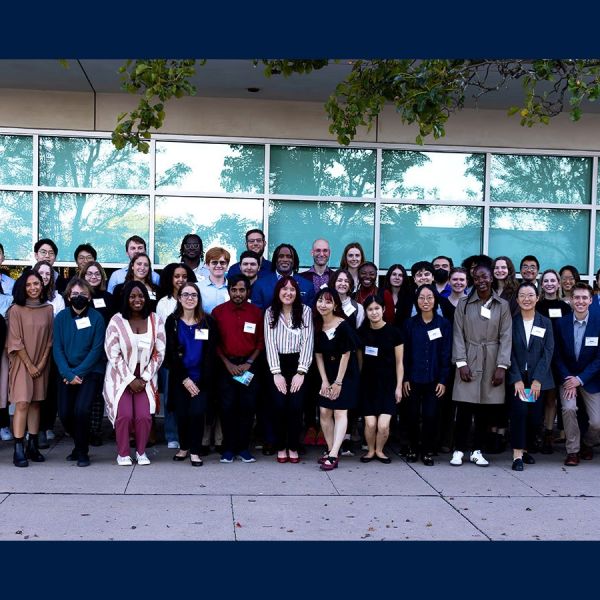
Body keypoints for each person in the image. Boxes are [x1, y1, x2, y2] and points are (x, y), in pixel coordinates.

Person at [450, 262, 512, 467]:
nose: (481, 281)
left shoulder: (502, 305)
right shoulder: (465, 304)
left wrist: (502, 366)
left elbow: (506, 336)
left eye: (484, 277)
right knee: (464, 407)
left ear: (491, 278)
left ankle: (477, 450)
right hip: (470, 355)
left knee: (485, 409)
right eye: (477, 278)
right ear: (472, 280)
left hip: (493, 358)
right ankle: (459, 449)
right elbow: (458, 334)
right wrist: (461, 362)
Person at [103, 281, 166, 466]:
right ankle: (123, 453)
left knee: (144, 416)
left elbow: (160, 352)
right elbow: (112, 353)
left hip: (146, 376)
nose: (137, 300)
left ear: (146, 298)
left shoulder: (156, 320)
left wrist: (144, 377)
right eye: (132, 296)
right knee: (124, 415)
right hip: (121, 375)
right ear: (126, 299)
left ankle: (141, 452)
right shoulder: (116, 320)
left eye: (140, 296)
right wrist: (130, 379)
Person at [53, 278, 106, 467]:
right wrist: (68, 374)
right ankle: (79, 443)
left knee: (82, 410)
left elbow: (96, 349)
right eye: (75, 294)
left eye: (83, 295)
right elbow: (57, 348)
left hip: (91, 372)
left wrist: (79, 373)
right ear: (68, 296)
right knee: (65, 413)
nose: (78, 298)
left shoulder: (97, 319)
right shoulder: (60, 318)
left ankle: (82, 451)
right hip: (66, 373)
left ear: (90, 297)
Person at [213, 274, 265, 463]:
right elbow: (215, 343)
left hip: (249, 367)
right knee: (227, 408)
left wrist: (248, 363)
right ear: (228, 291)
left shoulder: (256, 313)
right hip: (226, 366)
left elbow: (261, 342)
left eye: (241, 290)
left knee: (247, 407)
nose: (237, 293)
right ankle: (228, 448)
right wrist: (229, 365)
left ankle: (243, 448)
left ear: (248, 291)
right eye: (234, 290)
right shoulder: (218, 312)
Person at [165, 282, 217, 467]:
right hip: (180, 378)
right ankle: (184, 447)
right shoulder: (172, 322)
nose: (189, 298)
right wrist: (185, 379)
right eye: (185, 294)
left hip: (201, 378)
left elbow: (211, 353)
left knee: (197, 414)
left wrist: (199, 380)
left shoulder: (208, 321)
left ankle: (195, 451)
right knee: (182, 414)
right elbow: (170, 354)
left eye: (194, 295)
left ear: (198, 298)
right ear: (179, 298)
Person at [264, 276, 314, 464]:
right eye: (284, 289)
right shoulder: (270, 312)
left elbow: (308, 341)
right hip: (276, 364)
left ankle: (293, 446)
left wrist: (301, 372)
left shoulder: (306, 311)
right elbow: (270, 343)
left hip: (299, 364)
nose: (288, 293)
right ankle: (281, 446)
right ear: (278, 292)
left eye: (292, 289)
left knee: (295, 407)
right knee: (278, 406)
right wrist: (276, 373)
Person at [6, 271, 53, 467]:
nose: (33, 288)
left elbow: (50, 340)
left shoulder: (48, 309)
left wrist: (40, 364)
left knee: (35, 403)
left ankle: (32, 445)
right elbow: (15, 341)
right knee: (23, 402)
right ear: (22, 288)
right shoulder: (16, 310)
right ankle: (18, 447)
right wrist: (30, 365)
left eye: (37, 284)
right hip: (21, 362)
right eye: (28, 285)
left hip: (41, 362)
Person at [402, 284, 452, 466]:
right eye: (422, 298)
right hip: (413, 379)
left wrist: (443, 380)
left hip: (434, 379)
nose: (425, 301)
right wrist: (405, 377)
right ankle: (413, 448)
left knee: (431, 415)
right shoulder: (409, 324)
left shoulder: (444, 324)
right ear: (416, 301)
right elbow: (405, 354)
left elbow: (446, 354)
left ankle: (428, 450)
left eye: (429, 297)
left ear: (435, 300)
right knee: (412, 415)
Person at [507, 282, 554, 471]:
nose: (526, 299)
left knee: (535, 417)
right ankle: (517, 455)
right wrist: (516, 377)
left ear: (537, 298)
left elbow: (548, 351)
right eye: (522, 295)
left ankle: (525, 449)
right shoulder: (511, 322)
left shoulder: (546, 322)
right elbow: (507, 351)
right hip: (517, 377)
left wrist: (538, 379)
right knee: (519, 413)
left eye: (530, 295)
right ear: (517, 300)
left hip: (537, 379)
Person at [553, 282, 600, 466]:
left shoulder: (598, 322)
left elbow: (599, 359)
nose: (580, 301)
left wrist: (580, 379)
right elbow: (556, 356)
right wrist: (569, 379)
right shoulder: (561, 323)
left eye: (584, 298)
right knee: (569, 408)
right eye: (577, 297)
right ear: (571, 300)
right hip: (567, 377)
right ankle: (573, 451)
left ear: (590, 300)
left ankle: (587, 443)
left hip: (590, 379)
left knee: (597, 422)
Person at [313, 287, 359, 471]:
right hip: (326, 372)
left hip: (345, 374)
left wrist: (338, 382)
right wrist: (325, 381)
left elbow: (346, 354)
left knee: (339, 412)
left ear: (335, 305)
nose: (323, 305)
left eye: (328, 301)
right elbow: (318, 355)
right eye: (320, 301)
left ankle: (333, 455)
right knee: (324, 411)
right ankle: (332, 449)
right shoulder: (316, 324)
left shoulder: (343, 325)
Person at [358, 295, 403, 464]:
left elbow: (400, 363)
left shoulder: (395, 333)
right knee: (370, 424)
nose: (374, 312)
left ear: (383, 310)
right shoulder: (362, 333)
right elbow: (360, 362)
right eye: (370, 309)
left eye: (377, 308)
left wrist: (398, 387)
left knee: (383, 425)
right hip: (368, 384)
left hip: (388, 385)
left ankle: (380, 450)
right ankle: (370, 451)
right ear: (366, 312)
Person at [156, 262, 196, 450]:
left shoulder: (194, 299)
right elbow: (160, 333)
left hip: (192, 358)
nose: (180, 280)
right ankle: (172, 434)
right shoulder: (164, 303)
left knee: (191, 396)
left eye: (184, 276)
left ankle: (188, 435)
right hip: (169, 358)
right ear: (171, 279)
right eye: (176, 276)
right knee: (170, 398)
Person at [536, 269, 572, 453]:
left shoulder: (565, 308)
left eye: (553, 280)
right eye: (546, 281)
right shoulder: (536, 305)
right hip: (538, 358)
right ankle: (535, 432)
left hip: (558, 359)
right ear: (541, 284)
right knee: (537, 397)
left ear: (558, 284)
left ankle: (549, 433)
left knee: (552, 399)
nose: (549, 283)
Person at [32, 259, 63, 447]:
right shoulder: (26, 297)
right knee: (30, 391)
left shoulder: (56, 299)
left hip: (50, 349)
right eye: (41, 273)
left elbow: (57, 326)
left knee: (49, 390)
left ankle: (45, 427)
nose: (44, 276)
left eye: (48, 274)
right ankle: (31, 429)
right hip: (29, 350)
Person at [251, 243, 315, 310]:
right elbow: (256, 314)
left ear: (294, 261)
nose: (285, 259)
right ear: (275, 260)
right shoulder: (260, 285)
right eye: (281, 256)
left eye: (289, 256)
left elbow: (310, 314)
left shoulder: (308, 286)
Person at [197, 247, 230, 315]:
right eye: (214, 262)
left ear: (227, 266)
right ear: (207, 265)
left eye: (222, 262)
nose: (218, 265)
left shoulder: (234, 288)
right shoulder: (197, 287)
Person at [80, 261, 114, 326]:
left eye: (97, 274)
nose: (93, 277)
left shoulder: (108, 297)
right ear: (83, 276)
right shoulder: (78, 295)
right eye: (89, 274)